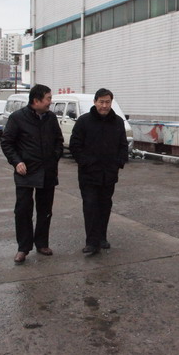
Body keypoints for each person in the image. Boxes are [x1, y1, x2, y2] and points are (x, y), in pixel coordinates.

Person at [0, 84, 64, 264]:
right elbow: (7, 143)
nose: (50, 102)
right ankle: (23, 248)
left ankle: (42, 243)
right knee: (23, 211)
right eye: (48, 99)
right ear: (36, 101)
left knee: (45, 210)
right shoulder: (17, 118)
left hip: (47, 172)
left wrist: (55, 157)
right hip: (26, 172)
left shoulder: (51, 118)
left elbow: (59, 141)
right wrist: (17, 162)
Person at [70, 88, 129, 256]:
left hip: (109, 174)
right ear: (95, 102)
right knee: (90, 206)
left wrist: (118, 163)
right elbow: (75, 145)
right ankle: (91, 242)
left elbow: (123, 145)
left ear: (111, 103)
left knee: (105, 205)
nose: (104, 105)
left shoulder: (117, 122)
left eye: (107, 102)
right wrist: (86, 162)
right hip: (88, 174)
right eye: (101, 102)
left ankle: (102, 237)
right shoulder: (84, 121)